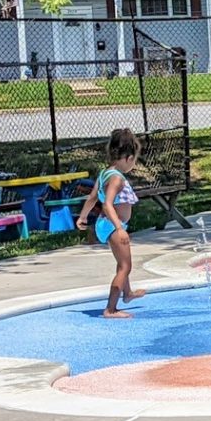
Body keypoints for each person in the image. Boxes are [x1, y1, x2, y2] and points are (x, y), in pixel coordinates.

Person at [75, 127, 148, 317]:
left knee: (121, 263)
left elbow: (92, 198)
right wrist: (119, 228)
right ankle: (110, 309)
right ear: (128, 158)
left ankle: (128, 293)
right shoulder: (116, 178)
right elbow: (106, 204)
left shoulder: (104, 173)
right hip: (113, 226)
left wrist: (82, 217)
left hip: (106, 224)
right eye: (134, 160)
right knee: (126, 267)